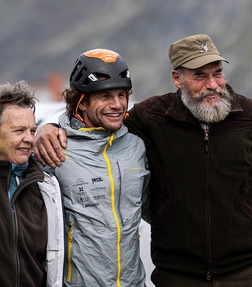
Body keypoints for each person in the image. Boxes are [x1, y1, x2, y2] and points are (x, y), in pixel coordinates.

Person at [35, 34, 252, 286]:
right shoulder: (152, 117)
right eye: (200, 76)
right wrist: (48, 127)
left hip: (243, 271)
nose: (212, 84)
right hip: (176, 274)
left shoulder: (248, 117)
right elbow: (94, 120)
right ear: (176, 79)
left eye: (217, 73)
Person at [44, 49, 150, 286]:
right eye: (105, 96)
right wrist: (44, 128)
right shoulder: (54, 147)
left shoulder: (136, 146)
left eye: (122, 94)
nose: (117, 105)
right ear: (81, 103)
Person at [0, 81, 64, 287]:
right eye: (19, 131)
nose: (30, 140)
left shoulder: (46, 183)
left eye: (32, 131)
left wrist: (53, 125)